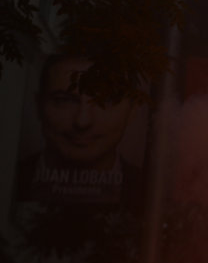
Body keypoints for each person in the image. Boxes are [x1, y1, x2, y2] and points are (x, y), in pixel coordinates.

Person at [14, 53, 143, 207]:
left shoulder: (151, 190)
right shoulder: (10, 177)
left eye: (103, 101)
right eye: (64, 100)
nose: (82, 122)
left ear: (132, 110)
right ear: (39, 105)